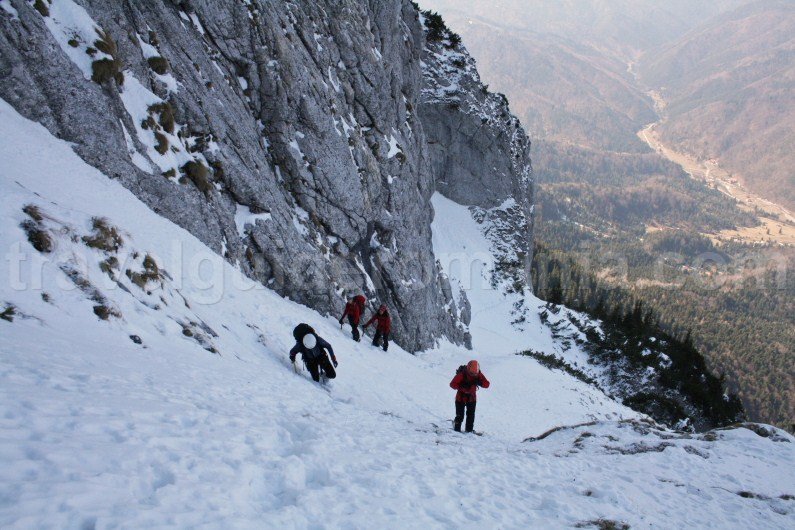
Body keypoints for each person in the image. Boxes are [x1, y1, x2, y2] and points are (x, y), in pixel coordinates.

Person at [449, 360, 490, 433]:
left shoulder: (478, 374)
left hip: (472, 398)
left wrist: (480, 382)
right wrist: (462, 387)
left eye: (475, 373)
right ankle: (456, 430)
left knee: (471, 416)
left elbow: (487, 384)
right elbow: (452, 384)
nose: (474, 375)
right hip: (460, 397)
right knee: (460, 415)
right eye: (472, 373)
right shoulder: (462, 374)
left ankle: (469, 431)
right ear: (468, 369)